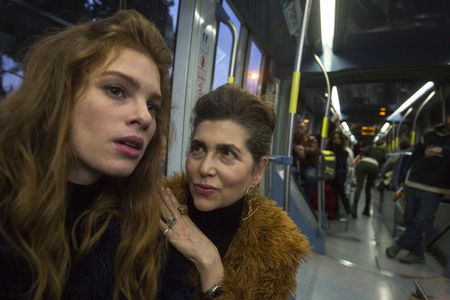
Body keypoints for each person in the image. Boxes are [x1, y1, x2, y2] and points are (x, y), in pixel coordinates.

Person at [0, 10, 171, 300]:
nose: (144, 117)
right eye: (116, 90)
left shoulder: (143, 230)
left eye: (153, 105)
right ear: (59, 94)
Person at [158, 85, 311, 299]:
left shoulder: (275, 250)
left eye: (227, 153)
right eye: (198, 149)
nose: (205, 168)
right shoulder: (153, 211)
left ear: (258, 170)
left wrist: (209, 263)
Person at [386, 107, 450, 264]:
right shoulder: (428, 135)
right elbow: (415, 157)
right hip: (414, 180)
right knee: (410, 218)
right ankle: (418, 254)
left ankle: (399, 244)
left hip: (435, 186)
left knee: (422, 219)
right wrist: (403, 177)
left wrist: (442, 149)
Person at [352, 139, 386, 217]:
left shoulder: (370, 147)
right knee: (368, 188)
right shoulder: (383, 152)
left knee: (359, 187)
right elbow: (384, 162)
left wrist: (355, 160)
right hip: (374, 167)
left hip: (363, 164)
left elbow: (361, 152)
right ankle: (366, 210)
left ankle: (354, 208)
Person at [328, 130, 351, 217]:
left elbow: (343, 165)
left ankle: (344, 210)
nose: (336, 140)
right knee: (336, 193)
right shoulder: (328, 150)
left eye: (338, 138)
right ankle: (339, 210)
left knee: (340, 192)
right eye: (334, 138)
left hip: (339, 174)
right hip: (331, 173)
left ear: (341, 140)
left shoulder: (345, 152)